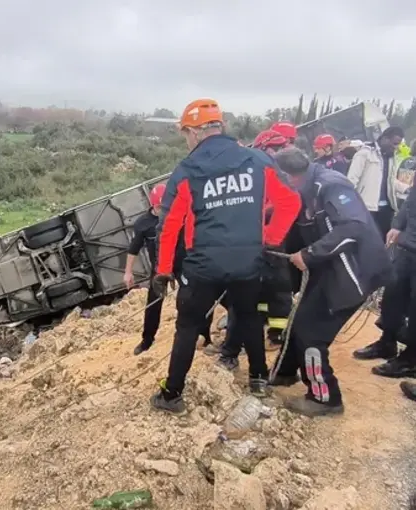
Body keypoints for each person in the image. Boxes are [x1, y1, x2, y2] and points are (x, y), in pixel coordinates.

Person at [150, 98, 301, 414]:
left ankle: (171, 394)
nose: (187, 140)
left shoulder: (187, 170)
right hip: (248, 262)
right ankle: (258, 379)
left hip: (203, 265)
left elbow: (169, 226)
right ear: (220, 126)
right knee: (248, 316)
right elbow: (290, 202)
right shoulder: (257, 160)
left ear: (195, 132)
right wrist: (268, 241)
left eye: (186, 134)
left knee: (188, 325)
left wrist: (163, 269)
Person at [270, 148, 391, 417]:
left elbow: (353, 227)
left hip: (354, 271)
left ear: (287, 176)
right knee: (298, 319)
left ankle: (325, 397)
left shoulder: (331, 185)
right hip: (330, 268)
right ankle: (285, 371)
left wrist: (310, 254)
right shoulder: (304, 189)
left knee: (311, 332)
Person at [214, 129, 296, 368]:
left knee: (271, 292)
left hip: (268, 245)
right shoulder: (251, 172)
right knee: (250, 300)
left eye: (281, 147)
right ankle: (237, 349)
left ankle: (239, 350)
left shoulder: (275, 173)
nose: (278, 152)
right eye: (275, 148)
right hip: (255, 246)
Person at [124, 183, 213, 355]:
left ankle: (205, 335)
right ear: (152, 205)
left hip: (182, 264)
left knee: (196, 297)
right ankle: (147, 340)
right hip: (160, 269)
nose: (163, 209)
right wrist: (128, 272)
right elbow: (133, 248)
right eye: (159, 207)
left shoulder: (180, 213)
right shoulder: (143, 224)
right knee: (153, 304)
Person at [362, 183, 416, 377]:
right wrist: (397, 225)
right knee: (393, 295)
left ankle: (410, 359)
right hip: (407, 247)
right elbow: (411, 198)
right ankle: (387, 342)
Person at [346, 126, 406, 240]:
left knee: (384, 241)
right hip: (367, 208)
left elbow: (390, 180)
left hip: (387, 209)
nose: (396, 147)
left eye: (398, 144)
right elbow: (351, 181)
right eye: (394, 143)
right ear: (385, 138)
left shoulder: (391, 157)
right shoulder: (365, 153)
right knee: (368, 242)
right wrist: (350, 207)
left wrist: (407, 188)